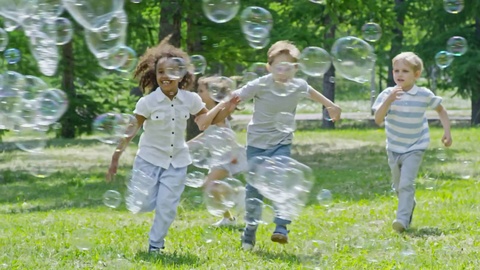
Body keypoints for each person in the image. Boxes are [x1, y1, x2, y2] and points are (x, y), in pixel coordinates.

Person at [105, 35, 239, 253]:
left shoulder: (191, 99)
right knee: (143, 205)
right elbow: (131, 130)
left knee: (166, 207)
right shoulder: (147, 102)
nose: (165, 76)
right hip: (148, 160)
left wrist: (225, 105)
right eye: (160, 72)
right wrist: (115, 158)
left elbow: (206, 122)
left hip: (177, 161)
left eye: (170, 71)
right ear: (154, 75)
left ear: (181, 75)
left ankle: (155, 246)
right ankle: (145, 196)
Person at [232, 40, 342, 250]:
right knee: (254, 190)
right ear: (269, 67)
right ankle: (250, 230)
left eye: (288, 68)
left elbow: (314, 94)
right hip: (257, 144)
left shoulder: (298, 85)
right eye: (278, 67)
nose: (283, 72)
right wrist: (219, 110)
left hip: (282, 141)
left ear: (296, 69)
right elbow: (235, 97)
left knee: (282, 181)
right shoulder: (261, 83)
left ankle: (281, 227)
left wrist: (331, 106)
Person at [372, 52, 452, 233]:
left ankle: (402, 220)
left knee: (406, 184)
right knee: (399, 186)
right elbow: (378, 119)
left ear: (416, 75)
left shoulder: (423, 94)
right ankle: (408, 203)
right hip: (393, 147)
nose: (399, 74)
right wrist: (389, 100)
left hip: (415, 146)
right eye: (396, 70)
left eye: (405, 71)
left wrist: (447, 132)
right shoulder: (387, 94)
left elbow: (441, 110)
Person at [189, 76, 248, 227]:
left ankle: (238, 194)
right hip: (219, 158)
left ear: (213, 93)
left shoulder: (218, 113)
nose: (198, 93)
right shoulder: (208, 113)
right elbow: (207, 133)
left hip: (227, 156)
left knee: (209, 185)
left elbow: (227, 134)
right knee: (211, 187)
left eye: (201, 90)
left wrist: (234, 153)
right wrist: (189, 144)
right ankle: (228, 218)